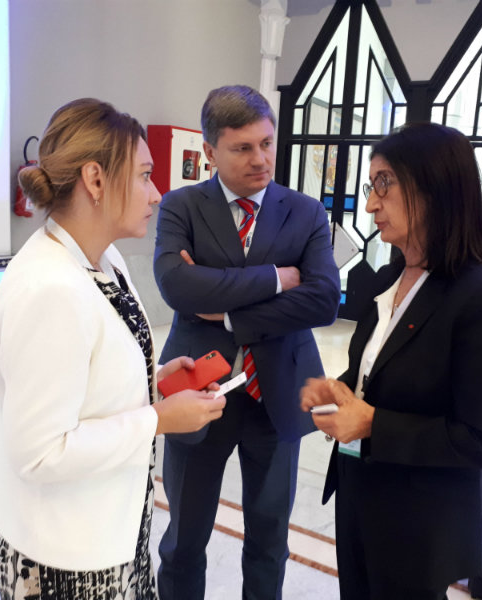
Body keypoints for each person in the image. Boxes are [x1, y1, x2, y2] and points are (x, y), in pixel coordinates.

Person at [0, 98, 226, 600]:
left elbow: (87, 374)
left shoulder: (102, 259)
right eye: (144, 176)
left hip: (109, 526)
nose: (156, 194)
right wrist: (157, 419)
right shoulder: (51, 289)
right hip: (63, 555)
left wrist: (152, 378)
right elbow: (41, 452)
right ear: (95, 180)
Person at [300, 122, 482, 600]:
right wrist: (340, 389)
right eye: (370, 185)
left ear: (434, 188)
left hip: (418, 521)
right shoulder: (391, 277)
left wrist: (371, 424)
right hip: (361, 495)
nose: (370, 204)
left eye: (384, 183)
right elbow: (379, 370)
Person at [153, 85, 341, 599]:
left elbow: (324, 301)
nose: (260, 159)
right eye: (242, 148)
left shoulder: (305, 212)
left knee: (269, 540)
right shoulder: (181, 206)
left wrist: (230, 312)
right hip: (197, 390)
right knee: (184, 540)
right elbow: (177, 286)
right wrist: (279, 278)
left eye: (266, 143)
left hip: (277, 393)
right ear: (210, 151)